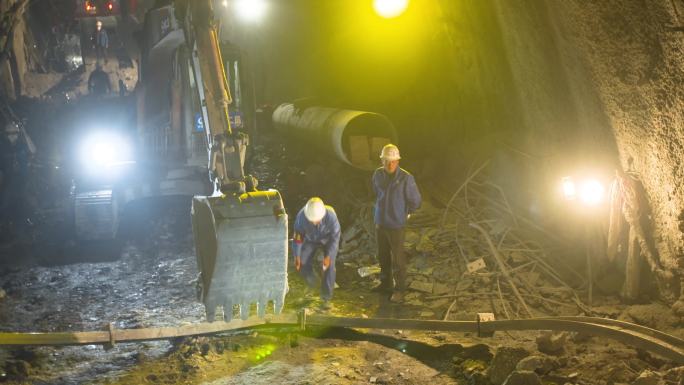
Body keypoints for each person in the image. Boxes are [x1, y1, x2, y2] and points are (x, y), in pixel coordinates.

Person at [372, 144, 421, 303]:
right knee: (383, 256)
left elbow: (415, 201)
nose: (390, 164)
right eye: (387, 161)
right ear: (382, 160)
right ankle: (385, 284)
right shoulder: (378, 175)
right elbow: (375, 192)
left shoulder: (406, 178)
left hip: (396, 226)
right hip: (380, 223)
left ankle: (399, 290)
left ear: (398, 161)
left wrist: (406, 214)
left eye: (393, 161)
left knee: (398, 260)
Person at [292, 197, 341, 311]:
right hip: (310, 239)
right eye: (311, 220)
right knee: (301, 263)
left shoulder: (331, 216)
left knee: (328, 266)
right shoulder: (301, 217)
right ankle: (312, 284)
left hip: (328, 240)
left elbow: (335, 239)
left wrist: (328, 256)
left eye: (317, 220)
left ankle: (326, 298)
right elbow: (297, 239)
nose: (314, 222)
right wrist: (297, 255)